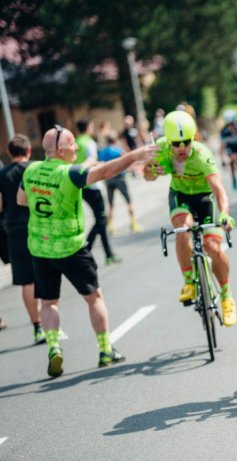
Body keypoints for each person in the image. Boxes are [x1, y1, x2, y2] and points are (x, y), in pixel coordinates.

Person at [17, 125, 159, 378]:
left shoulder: (31, 170)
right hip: (71, 246)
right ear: (61, 150)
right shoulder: (70, 173)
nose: (76, 149)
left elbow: (22, 200)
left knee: (48, 302)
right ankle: (105, 350)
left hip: (40, 247)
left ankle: (53, 347)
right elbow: (104, 171)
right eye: (72, 145)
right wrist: (136, 155)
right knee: (94, 297)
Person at [144, 110, 237, 326]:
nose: (182, 148)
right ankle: (189, 282)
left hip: (205, 198)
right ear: (168, 141)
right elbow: (147, 175)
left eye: (186, 141)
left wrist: (224, 214)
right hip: (181, 196)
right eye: (176, 143)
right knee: (182, 228)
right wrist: (152, 170)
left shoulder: (202, 154)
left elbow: (219, 190)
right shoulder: (160, 148)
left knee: (213, 248)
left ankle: (226, 297)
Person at [0, 134, 43, 343]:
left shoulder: (2, 174)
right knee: (45, 274)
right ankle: (52, 323)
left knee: (27, 280)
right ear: (27, 151)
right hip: (38, 227)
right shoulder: (35, 168)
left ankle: (37, 327)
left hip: (14, 230)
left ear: (9, 153)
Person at [75, 119, 121, 264]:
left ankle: (108, 254)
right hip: (93, 185)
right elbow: (92, 161)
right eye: (91, 126)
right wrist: (102, 165)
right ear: (88, 127)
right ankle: (87, 247)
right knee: (101, 220)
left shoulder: (76, 142)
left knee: (101, 220)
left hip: (82, 186)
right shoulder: (89, 142)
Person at [99, 134, 143, 234]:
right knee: (128, 201)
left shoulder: (103, 152)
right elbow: (127, 158)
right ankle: (134, 223)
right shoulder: (117, 150)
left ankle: (111, 227)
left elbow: (101, 162)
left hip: (108, 179)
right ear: (115, 140)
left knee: (110, 204)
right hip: (119, 178)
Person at [219, 110, 237, 191]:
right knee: (231, 161)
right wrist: (223, 160)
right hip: (231, 148)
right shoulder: (224, 131)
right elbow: (222, 147)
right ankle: (234, 179)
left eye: (232, 124)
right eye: (229, 125)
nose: (231, 126)